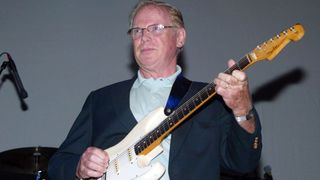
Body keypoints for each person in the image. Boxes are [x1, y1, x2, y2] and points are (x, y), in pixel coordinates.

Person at [48, 0, 262, 179]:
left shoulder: (212, 99)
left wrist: (243, 110)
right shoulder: (101, 100)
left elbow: (242, 164)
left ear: (180, 37)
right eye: (137, 30)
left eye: (156, 28)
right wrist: (79, 167)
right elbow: (58, 164)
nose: (144, 36)